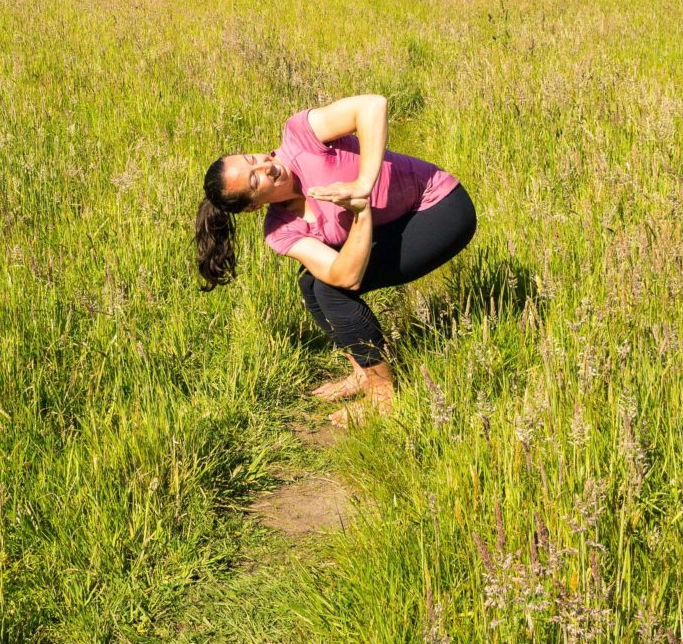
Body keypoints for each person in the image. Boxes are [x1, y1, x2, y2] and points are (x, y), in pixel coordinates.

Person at [194, 94, 476, 426]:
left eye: (252, 158)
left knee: (330, 291)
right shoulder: (281, 229)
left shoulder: (300, 135)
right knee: (312, 282)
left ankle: (384, 397)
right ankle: (363, 372)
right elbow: (346, 275)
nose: (266, 165)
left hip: (440, 207)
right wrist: (360, 212)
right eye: (256, 180)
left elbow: (372, 105)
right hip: (394, 222)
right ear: (254, 206)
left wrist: (363, 185)